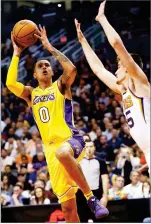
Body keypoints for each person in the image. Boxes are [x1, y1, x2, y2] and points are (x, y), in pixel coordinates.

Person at [6, 26, 109, 222]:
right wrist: (17, 53)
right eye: (40, 66)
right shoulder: (31, 94)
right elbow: (11, 83)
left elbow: (71, 69)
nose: (45, 67)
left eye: (47, 65)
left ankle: (91, 198)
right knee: (69, 209)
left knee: (63, 152)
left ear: (52, 70)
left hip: (71, 139)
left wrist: (50, 47)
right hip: (50, 151)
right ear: (34, 74)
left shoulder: (60, 85)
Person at [75, 0, 150, 173]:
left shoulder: (139, 83)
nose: (115, 71)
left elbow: (117, 45)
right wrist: (83, 41)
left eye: (118, 66)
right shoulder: (124, 91)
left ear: (127, 67)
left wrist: (101, 19)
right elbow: (98, 70)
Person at [76, 139, 109, 222]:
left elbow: (105, 179)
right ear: (83, 149)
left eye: (91, 146)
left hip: (96, 194)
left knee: (99, 219)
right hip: (81, 194)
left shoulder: (100, 161)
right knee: (81, 219)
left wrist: (105, 196)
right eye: (86, 147)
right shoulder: (77, 162)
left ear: (94, 148)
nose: (89, 148)